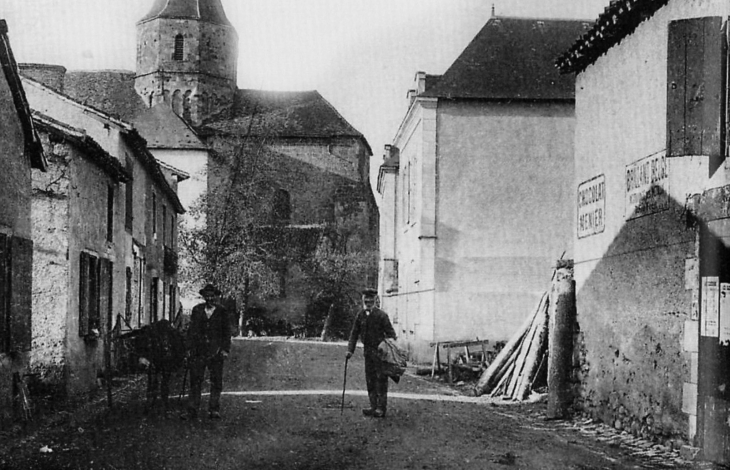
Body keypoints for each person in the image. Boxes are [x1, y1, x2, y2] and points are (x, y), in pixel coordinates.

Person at [183, 283, 232, 420]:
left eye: (212, 296)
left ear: (215, 296)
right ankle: (192, 409)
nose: (209, 299)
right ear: (203, 297)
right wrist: (188, 348)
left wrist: (225, 349)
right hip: (198, 351)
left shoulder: (222, 311)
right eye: (207, 296)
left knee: (216, 381)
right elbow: (191, 331)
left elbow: (226, 332)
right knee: (195, 380)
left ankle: (214, 409)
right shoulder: (197, 310)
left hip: (216, 352)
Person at [346, 288, 397, 418]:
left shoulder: (382, 316)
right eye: (366, 300)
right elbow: (354, 333)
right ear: (363, 300)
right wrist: (349, 350)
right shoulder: (360, 315)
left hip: (380, 354)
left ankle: (381, 408)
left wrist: (384, 346)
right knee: (370, 380)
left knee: (381, 380)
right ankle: (373, 406)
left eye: (370, 300)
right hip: (368, 353)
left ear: (375, 300)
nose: (368, 303)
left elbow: (392, 335)